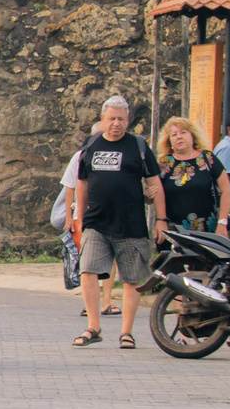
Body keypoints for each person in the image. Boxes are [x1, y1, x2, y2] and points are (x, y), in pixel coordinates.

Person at [69, 95, 166, 350]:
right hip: (97, 222)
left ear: (128, 120)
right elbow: (82, 182)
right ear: (103, 119)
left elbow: (155, 183)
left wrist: (161, 219)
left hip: (131, 224)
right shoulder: (91, 144)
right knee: (88, 271)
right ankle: (93, 326)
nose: (116, 124)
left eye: (121, 119)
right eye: (111, 118)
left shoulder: (139, 146)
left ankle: (126, 332)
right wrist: (80, 217)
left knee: (132, 280)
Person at [156, 115, 230, 236]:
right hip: (173, 233)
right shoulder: (163, 164)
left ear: (193, 136)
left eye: (183, 132)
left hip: (207, 231)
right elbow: (154, 195)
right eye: (174, 134)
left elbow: (226, 191)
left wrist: (222, 223)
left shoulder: (208, 159)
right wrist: (160, 220)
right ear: (169, 141)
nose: (179, 137)